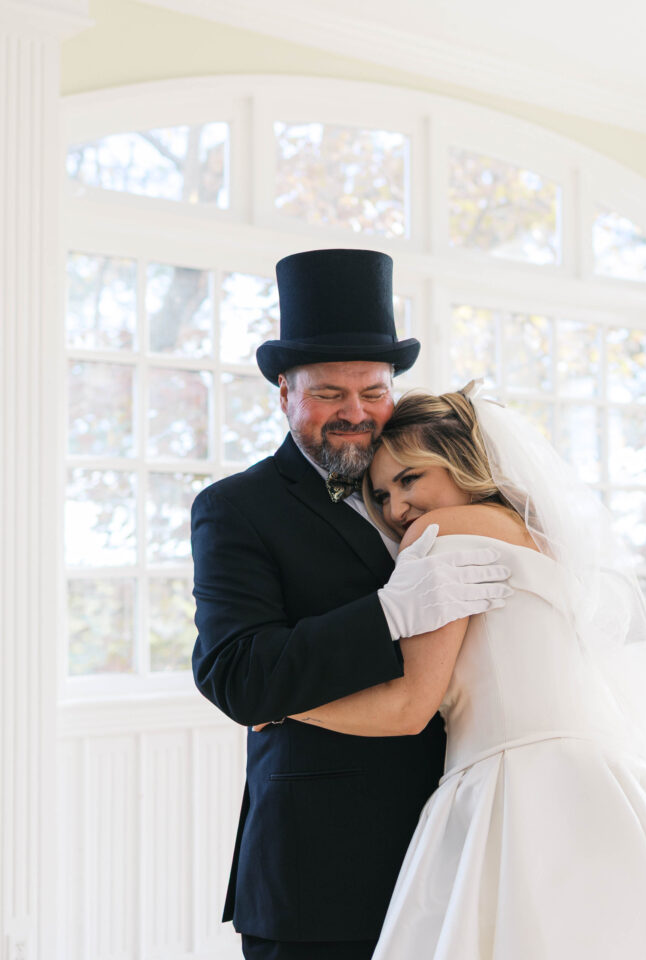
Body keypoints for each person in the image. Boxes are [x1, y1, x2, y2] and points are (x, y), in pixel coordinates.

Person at [268, 385, 646, 960]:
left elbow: (409, 708)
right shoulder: (543, 540)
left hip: (515, 790)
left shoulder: (442, 533)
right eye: (380, 493)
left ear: (460, 461)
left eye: (410, 478)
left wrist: (287, 705)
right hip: (606, 787)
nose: (397, 508)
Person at [190, 249, 512, 960]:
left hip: (457, 846)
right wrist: (389, 615)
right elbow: (236, 673)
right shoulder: (235, 509)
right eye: (329, 393)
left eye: (372, 390)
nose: (356, 413)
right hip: (318, 874)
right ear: (284, 394)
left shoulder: (430, 484)